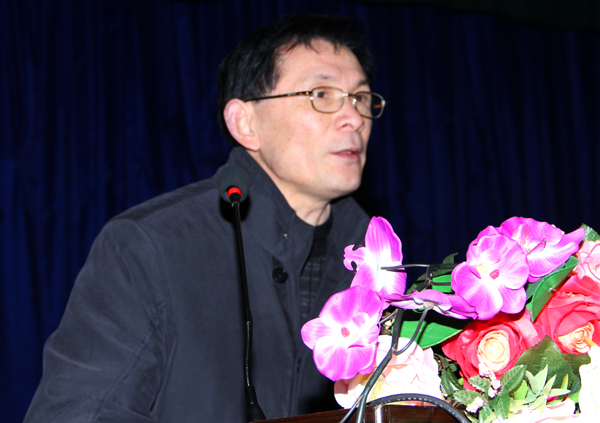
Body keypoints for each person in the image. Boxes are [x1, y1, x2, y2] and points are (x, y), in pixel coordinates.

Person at [24, 13, 386, 422]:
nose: (354, 117)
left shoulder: (377, 268)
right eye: (321, 94)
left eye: (360, 97)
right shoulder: (149, 247)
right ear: (245, 123)